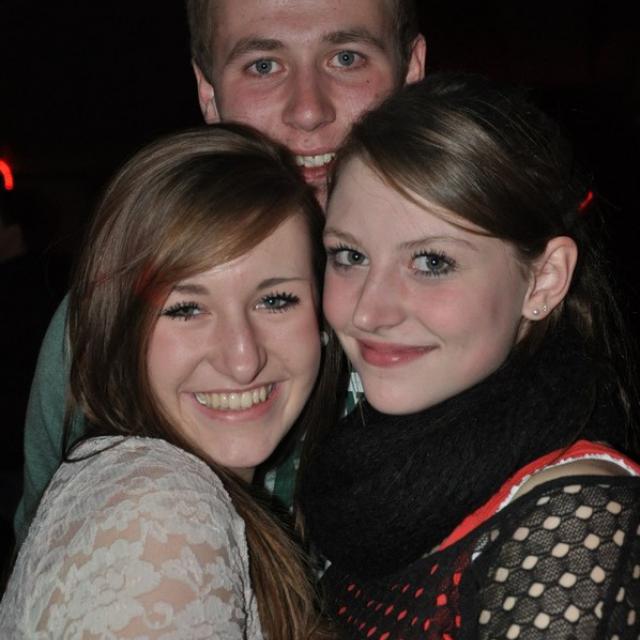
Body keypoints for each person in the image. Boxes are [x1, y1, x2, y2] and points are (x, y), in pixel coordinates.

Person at [14, 0, 426, 543]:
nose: (308, 110)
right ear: (208, 92)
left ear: (411, 72)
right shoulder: (108, 318)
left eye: (346, 58)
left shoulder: (479, 304)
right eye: (263, 65)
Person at [299, 74, 640, 638]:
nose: (369, 312)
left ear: (544, 280)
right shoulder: (370, 467)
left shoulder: (573, 521)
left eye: (432, 262)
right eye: (349, 256)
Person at [1, 125, 344, 638]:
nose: (243, 359)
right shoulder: (160, 516)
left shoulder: (193, 496)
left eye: (275, 300)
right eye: (186, 308)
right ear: (120, 329)